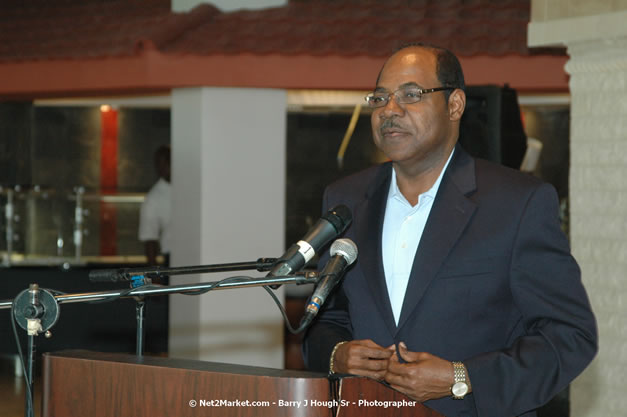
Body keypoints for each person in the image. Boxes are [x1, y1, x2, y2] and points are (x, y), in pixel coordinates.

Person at [302, 44, 597, 417]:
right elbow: (324, 319)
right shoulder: (346, 200)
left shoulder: (517, 203)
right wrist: (337, 354)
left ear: (454, 105)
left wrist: (463, 378)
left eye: (411, 95)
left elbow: (569, 337)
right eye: (380, 98)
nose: (389, 111)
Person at [138, 145, 171, 266]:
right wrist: (154, 272)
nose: (163, 167)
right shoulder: (154, 197)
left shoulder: (188, 186)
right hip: (171, 257)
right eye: (159, 164)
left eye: (167, 162)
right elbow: (149, 238)